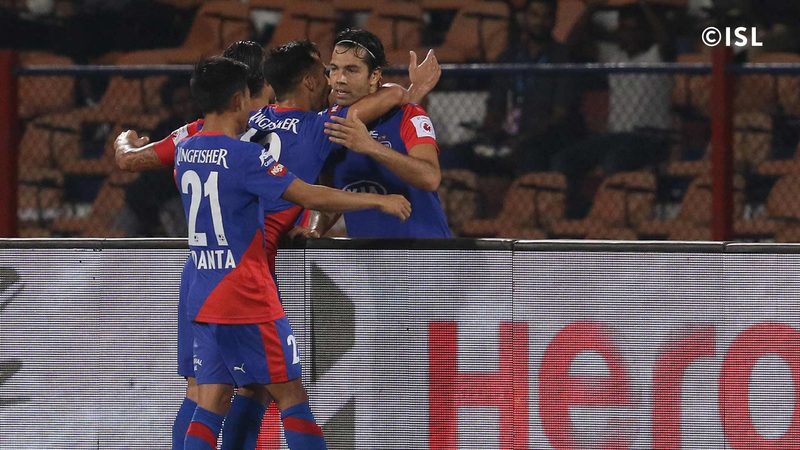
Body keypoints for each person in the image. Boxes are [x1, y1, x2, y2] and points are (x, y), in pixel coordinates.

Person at [115, 40, 441, 450]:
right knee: (283, 394)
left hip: (199, 277)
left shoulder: (198, 136)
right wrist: (413, 93)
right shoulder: (319, 127)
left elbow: (130, 160)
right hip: (247, 279)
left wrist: (124, 141)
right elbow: (385, 102)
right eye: (327, 71)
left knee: (206, 394)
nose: (333, 79)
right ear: (308, 81)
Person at [177, 56, 411, 450]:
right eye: (250, 98)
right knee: (292, 397)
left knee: (211, 400)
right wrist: (378, 201)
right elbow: (308, 194)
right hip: (247, 294)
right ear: (237, 100)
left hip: (203, 290)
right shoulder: (245, 157)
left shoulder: (186, 151)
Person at [305, 28, 451, 238]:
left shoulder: (408, 114)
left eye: (351, 70)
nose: (339, 79)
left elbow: (430, 178)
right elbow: (332, 199)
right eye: (334, 69)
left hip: (422, 251)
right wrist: (314, 230)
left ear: (374, 75)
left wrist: (370, 147)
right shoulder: (331, 124)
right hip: (366, 255)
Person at [447, 0, 583, 175]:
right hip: (507, 136)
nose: (540, 22)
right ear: (524, 18)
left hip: (543, 139)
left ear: (554, 20)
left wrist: (521, 140)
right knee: (454, 155)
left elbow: (559, 116)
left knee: (529, 155)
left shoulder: (562, 58)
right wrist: (489, 132)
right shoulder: (508, 57)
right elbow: (495, 106)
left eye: (546, 16)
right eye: (534, 15)